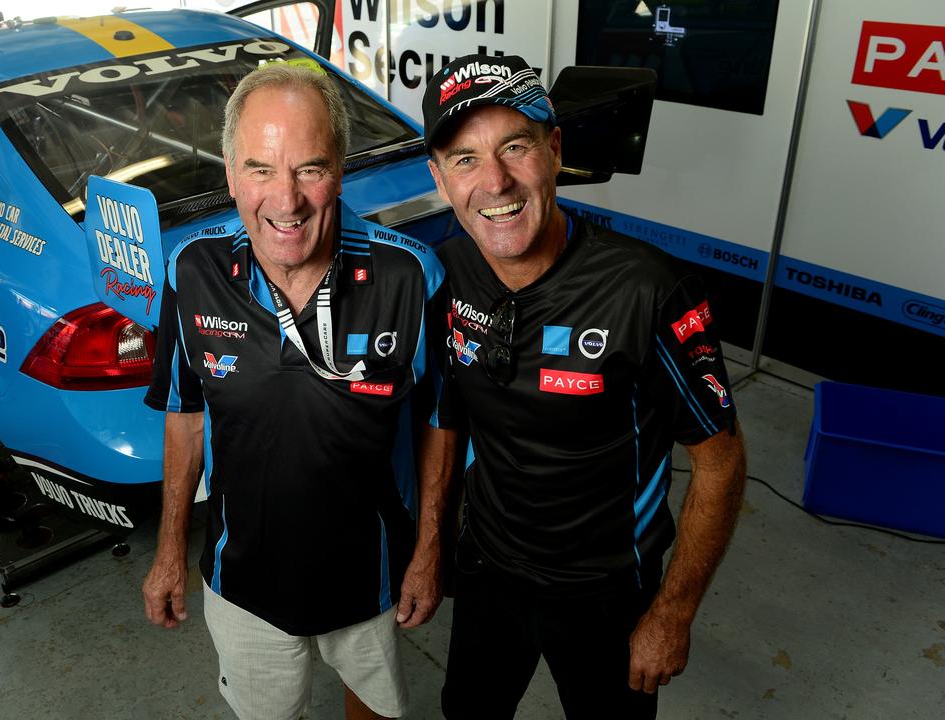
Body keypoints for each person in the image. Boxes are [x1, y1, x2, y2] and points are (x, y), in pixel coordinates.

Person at [420, 54, 747, 719]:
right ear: (440, 177)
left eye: (515, 146)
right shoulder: (448, 271)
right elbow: (446, 417)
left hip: (606, 591)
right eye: (465, 159)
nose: (496, 181)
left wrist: (673, 612)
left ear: (555, 149)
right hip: (488, 568)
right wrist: (432, 549)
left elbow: (721, 459)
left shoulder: (647, 289)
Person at [141, 63, 452, 720]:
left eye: (309, 168)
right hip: (242, 581)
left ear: (340, 168)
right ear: (230, 173)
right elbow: (184, 416)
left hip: (371, 578)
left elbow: (440, 422)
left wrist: (428, 551)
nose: (286, 200)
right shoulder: (192, 270)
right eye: (260, 169)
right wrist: (170, 550)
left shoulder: (410, 276)